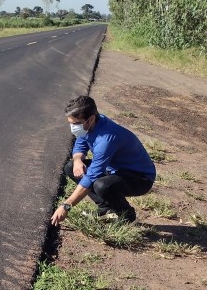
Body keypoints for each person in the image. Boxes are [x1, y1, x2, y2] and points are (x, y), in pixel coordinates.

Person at [51, 95, 156, 226]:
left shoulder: (106, 139)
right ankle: (107, 208)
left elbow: (91, 176)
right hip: (115, 170)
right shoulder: (92, 125)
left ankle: (127, 216)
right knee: (71, 167)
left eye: (76, 124)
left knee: (101, 185)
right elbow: (81, 144)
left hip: (140, 178)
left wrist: (66, 206)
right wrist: (78, 160)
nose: (73, 127)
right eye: (70, 123)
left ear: (91, 119)